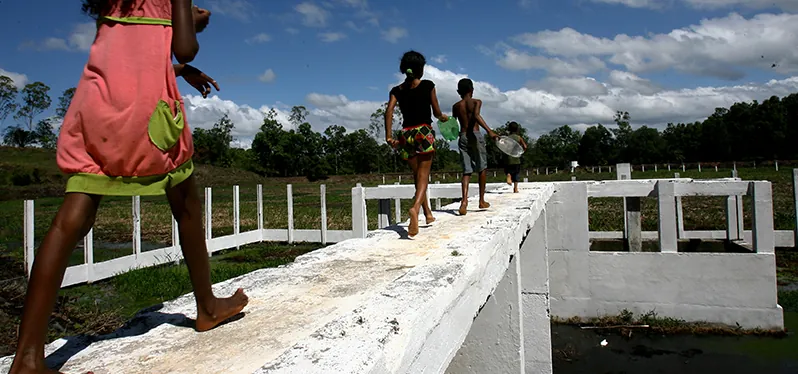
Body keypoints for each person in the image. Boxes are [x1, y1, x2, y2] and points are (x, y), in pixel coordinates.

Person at [8, 1, 249, 373]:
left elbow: (130, 56)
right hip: (145, 110)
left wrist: (179, 70)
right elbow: (185, 47)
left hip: (96, 104)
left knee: (71, 219)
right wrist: (190, 20)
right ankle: (207, 306)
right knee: (186, 202)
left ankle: (27, 358)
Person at [385, 51, 449, 237]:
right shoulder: (428, 85)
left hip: (406, 134)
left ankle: (427, 214)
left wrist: (389, 137)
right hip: (423, 132)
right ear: (421, 69)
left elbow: (389, 111)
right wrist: (443, 117)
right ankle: (415, 209)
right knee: (424, 176)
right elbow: (436, 112)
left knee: (417, 176)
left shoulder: (396, 90)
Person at [452, 78, 498, 215]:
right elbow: (476, 115)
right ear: (472, 90)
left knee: (467, 171)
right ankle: (481, 200)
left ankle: (464, 201)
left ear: (458, 92)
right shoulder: (477, 102)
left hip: (463, 135)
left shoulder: (456, 106)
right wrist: (489, 131)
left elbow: (453, 124)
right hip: (475, 134)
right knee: (482, 167)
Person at [503, 121, 528, 193]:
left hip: (508, 158)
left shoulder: (507, 138)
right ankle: (515, 188)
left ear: (509, 129)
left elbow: (503, 147)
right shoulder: (518, 138)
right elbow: (525, 146)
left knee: (508, 170)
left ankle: (508, 175)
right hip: (516, 158)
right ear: (517, 129)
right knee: (516, 173)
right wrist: (521, 152)